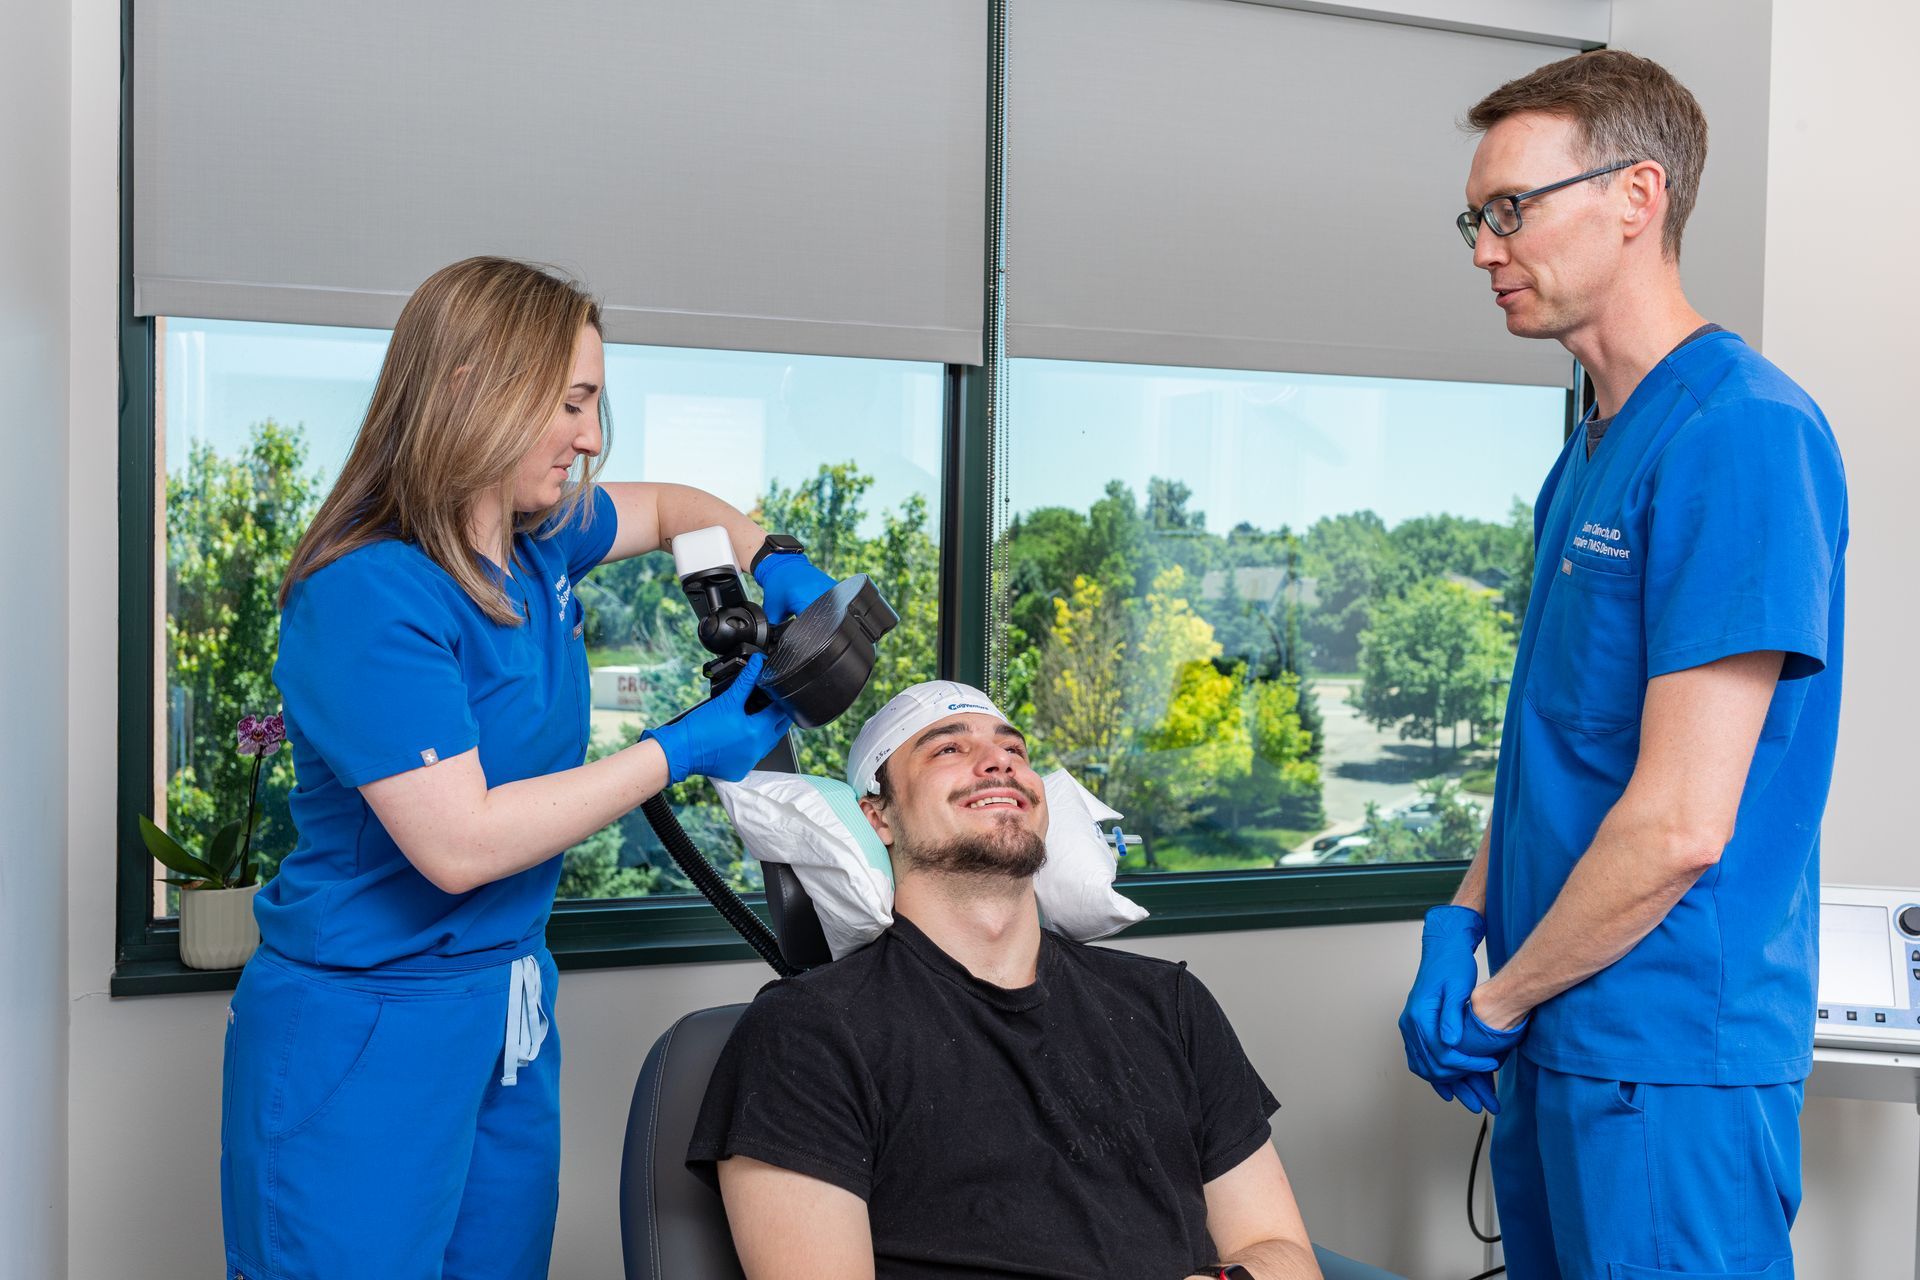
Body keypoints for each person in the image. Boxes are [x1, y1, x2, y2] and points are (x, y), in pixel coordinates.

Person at [221, 256, 842, 1280]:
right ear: (472, 387)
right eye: (571, 402)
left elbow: (676, 507)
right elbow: (458, 843)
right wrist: (682, 746)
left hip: (505, 1008)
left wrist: (768, 553)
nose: (593, 436)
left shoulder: (536, 543)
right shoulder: (370, 593)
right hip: (367, 1032)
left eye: (596, 402)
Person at [1397, 51, 1847, 1279]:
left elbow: (1680, 825)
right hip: (1561, 1028)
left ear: (1637, 197)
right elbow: (1555, 748)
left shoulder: (1740, 434)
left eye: (1510, 210)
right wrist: (1466, 913)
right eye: (1473, 219)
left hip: (1667, 1060)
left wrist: (1494, 999)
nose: (1485, 247)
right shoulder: (1590, 447)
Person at [689, 681, 1321, 1280]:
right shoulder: (809, 1034)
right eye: (949, 748)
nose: (999, 763)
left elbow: (1283, 1252)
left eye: (1014, 749)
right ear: (878, 817)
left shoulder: (1168, 1005)